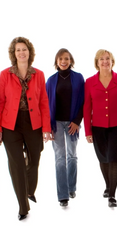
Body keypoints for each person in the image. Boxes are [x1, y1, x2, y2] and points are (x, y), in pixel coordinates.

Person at [0, 37, 51, 220]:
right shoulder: (5, 74)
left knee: (34, 160)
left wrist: (46, 128)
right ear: (14, 53)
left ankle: (29, 190)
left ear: (29, 52)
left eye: (24, 49)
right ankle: (23, 206)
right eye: (18, 50)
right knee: (16, 165)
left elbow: (43, 102)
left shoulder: (39, 74)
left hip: (34, 123)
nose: (21, 52)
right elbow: (0, 102)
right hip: (11, 125)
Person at [83, 49, 117, 208]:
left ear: (112, 61)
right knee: (103, 158)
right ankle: (107, 184)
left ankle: (112, 194)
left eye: (108, 59)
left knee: (114, 158)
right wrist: (88, 131)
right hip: (97, 127)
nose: (105, 62)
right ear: (97, 63)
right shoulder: (90, 82)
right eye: (102, 59)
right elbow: (86, 107)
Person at [46, 48, 84, 207]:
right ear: (56, 61)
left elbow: (83, 101)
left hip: (72, 123)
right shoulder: (51, 80)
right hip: (56, 124)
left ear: (71, 61)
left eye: (66, 58)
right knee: (60, 158)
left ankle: (71, 187)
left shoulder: (78, 78)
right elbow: (46, 105)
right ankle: (62, 195)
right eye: (61, 58)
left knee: (72, 156)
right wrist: (48, 126)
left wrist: (76, 120)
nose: (63, 61)